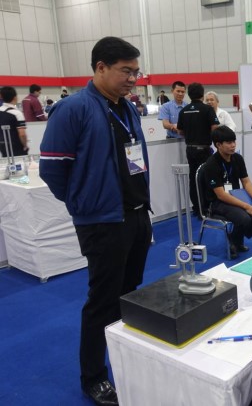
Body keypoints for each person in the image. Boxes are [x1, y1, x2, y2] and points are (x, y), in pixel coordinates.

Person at [39, 36, 152, 406]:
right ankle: (94, 377)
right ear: (100, 68)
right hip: (102, 222)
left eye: (136, 72)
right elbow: (52, 169)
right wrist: (83, 203)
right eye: (125, 71)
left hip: (137, 215)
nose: (133, 79)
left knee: (130, 293)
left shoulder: (127, 108)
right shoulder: (73, 109)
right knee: (102, 301)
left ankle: (125, 357)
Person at [202, 126, 252, 258]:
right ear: (218, 145)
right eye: (229, 142)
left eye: (234, 141)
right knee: (244, 218)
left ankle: (234, 238)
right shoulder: (211, 164)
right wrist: (246, 206)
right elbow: (221, 195)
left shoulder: (237, 158)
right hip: (217, 202)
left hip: (237, 196)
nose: (233, 145)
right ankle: (236, 240)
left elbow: (246, 182)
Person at [177, 82, 218, 216]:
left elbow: (180, 131)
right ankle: (206, 208)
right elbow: (215, 128)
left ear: (188, 94)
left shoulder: (184, 110)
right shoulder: (208, 109)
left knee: (193, 178)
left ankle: (196, 207)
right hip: (204, 149)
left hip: (190, 149)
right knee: (206, 177)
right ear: (202, 94)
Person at [0, 86, 28, 157]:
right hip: (16, 146)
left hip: (2, 145)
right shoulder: (17, 113)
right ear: (15, 97)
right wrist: (25, 145)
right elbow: (22, 134)